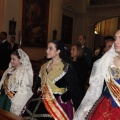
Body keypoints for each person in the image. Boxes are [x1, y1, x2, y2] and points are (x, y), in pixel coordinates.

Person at [21, 40, 81, 120]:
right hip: (39, 99)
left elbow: (72, 88)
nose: (47, 51)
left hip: (57, 102)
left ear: (58, 51)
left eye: (50, 48)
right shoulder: (44, 66)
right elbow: (38, 84)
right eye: (47, 48)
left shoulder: (66, 67)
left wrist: (61, 99)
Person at [73, 29, 120, 120]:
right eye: (115, 38)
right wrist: (89, 107)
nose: (116, 41)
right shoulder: (108, 61)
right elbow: (97, 87)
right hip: (107, 106)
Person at [0, 49, 33, 115]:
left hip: (13, 99)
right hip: (3, 96)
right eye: (11, 59)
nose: (11, 61)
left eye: (14, 59)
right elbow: (2, 82)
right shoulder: (9, 69)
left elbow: (24, 88)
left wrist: (16, 100)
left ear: (20, 59)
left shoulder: (24, 72)